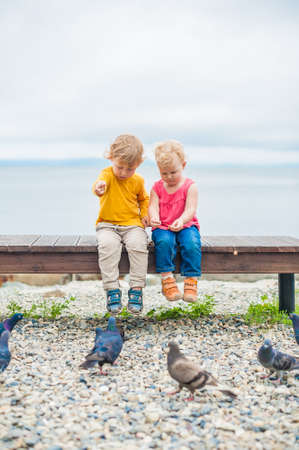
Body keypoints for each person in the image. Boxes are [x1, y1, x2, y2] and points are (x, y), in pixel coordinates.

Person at [92, 134, 149, 314]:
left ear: (138, 163)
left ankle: (137, 289)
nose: (124, 172)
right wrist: (99, 188)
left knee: (139, 245)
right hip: (107, 224)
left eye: (129, 168)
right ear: (111, 159)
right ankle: (112, 289)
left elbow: (143, 199)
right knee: (107, 246)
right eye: (120, 167)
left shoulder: (138, 180)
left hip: (132, 224)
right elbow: (99, 185)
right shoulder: (107, 174)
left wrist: (145, 214)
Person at [148, 140, 201, 303]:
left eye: (173, 172)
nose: (169, 177)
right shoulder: (157, 188)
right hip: (164, 226)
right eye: (164, 173)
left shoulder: (190, 186)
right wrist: (154, 217)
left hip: (185, 224)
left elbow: (190, 209)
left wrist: (181, 220)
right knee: (164, 242)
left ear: (183, 165)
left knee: (191, 243)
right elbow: (152, 207)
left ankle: (191, 280)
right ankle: (167, 279)